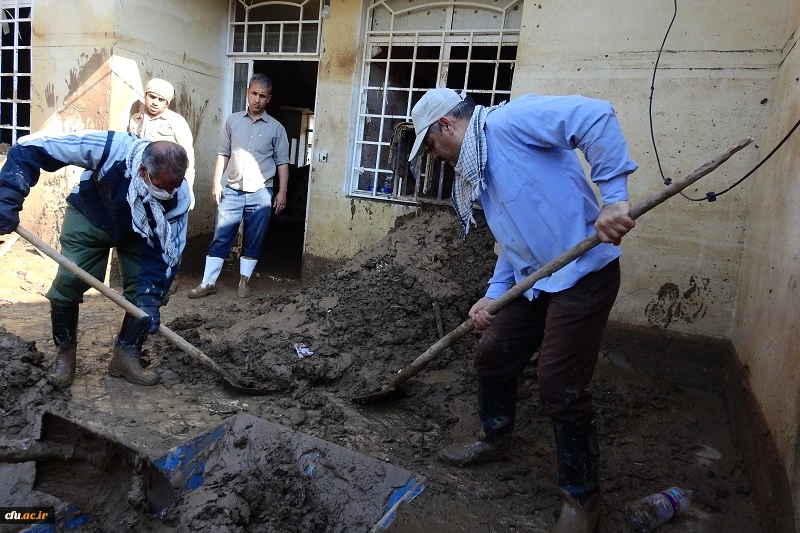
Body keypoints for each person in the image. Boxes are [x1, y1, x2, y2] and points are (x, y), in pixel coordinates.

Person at [408, 88, 638, 533]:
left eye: (431, 145)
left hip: (583, 274)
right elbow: (511, 238)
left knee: (559, 382)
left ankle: (581, 497)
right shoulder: (480, 168)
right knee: (494, 351)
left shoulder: (509, 122)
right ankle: (495, 436)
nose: (433, 156)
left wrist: (613, 198)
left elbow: (595, 117)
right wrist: (495, 292)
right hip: (538, 279)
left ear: (446, 125)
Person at [0, 131, 190, 388]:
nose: (169, 193)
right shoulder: (112, 149)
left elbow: (168, 253)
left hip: (140, 233)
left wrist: (151, 297)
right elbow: (30, 148)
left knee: (147, 294)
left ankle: (127, 354)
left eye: (174, 187)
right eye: (162, 187)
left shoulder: (178, 197)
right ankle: (65, 354)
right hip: (91, 216)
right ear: (143, 170)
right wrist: (8, 197)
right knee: (68, 281)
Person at [188, 73, 289, 299]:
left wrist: (282, 192)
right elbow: (223, 153)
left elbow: (282, 162)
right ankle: (208, 283)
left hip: (261, 193)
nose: (257, 99)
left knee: (254, 237)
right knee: (222, 235)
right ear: (247, 93)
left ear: (268, 99)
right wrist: (216, 183)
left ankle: (244, 281)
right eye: (254, 93)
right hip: (232, 190)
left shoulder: (276, 129)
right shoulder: (232, 121)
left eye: (262, 96)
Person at [129, 78, 196, 209]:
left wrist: (188, 189)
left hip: (166, 184)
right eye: (152, 97)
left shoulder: (176, 121)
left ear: (167, 103)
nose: (155, 102)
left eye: (161, 100)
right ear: (145, 96)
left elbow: (187, 157)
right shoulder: (135, 120)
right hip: (141, 180)